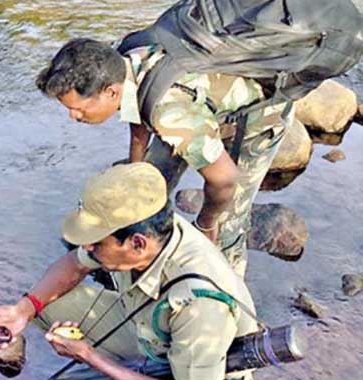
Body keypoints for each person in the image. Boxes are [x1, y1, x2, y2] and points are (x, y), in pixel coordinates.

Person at [0, 163, 257, 380]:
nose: (88, 249)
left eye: (96, 243)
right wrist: (23, 309)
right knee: (50, 304)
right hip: (154, 334)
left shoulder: (200, 305)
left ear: (137, 244)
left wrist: (91, 357)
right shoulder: (147, 229)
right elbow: (75, 264)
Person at [36, 37, 293, 277]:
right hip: (195, 106)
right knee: (144, 188)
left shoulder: (169, 115)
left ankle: (228, 297)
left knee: (226, 223)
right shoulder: (124, 59)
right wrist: (135, 172)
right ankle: (139, 257)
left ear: (111, 92)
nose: (73, 116)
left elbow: (225, 179)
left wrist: (205, 224)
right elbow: (139, 107)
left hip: (256, 121)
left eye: (78, 108)